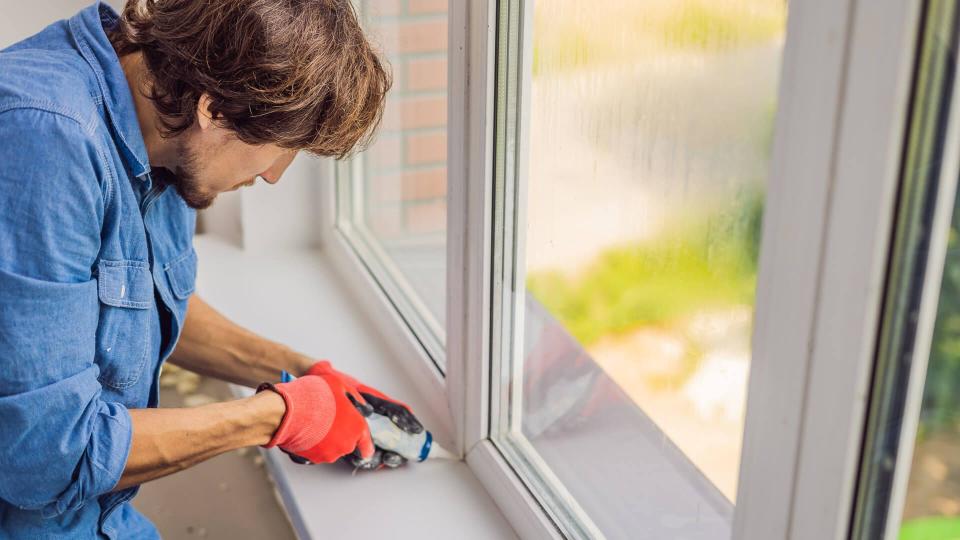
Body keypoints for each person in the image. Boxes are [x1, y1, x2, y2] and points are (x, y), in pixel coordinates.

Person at [0, 1, 420, 538]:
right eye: (280, 148)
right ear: (214, 108)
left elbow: (128, 299)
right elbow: (49, 456)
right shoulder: (45, 142)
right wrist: (277, 417)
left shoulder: (161, 111)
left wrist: (302, 370)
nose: (272, 176)